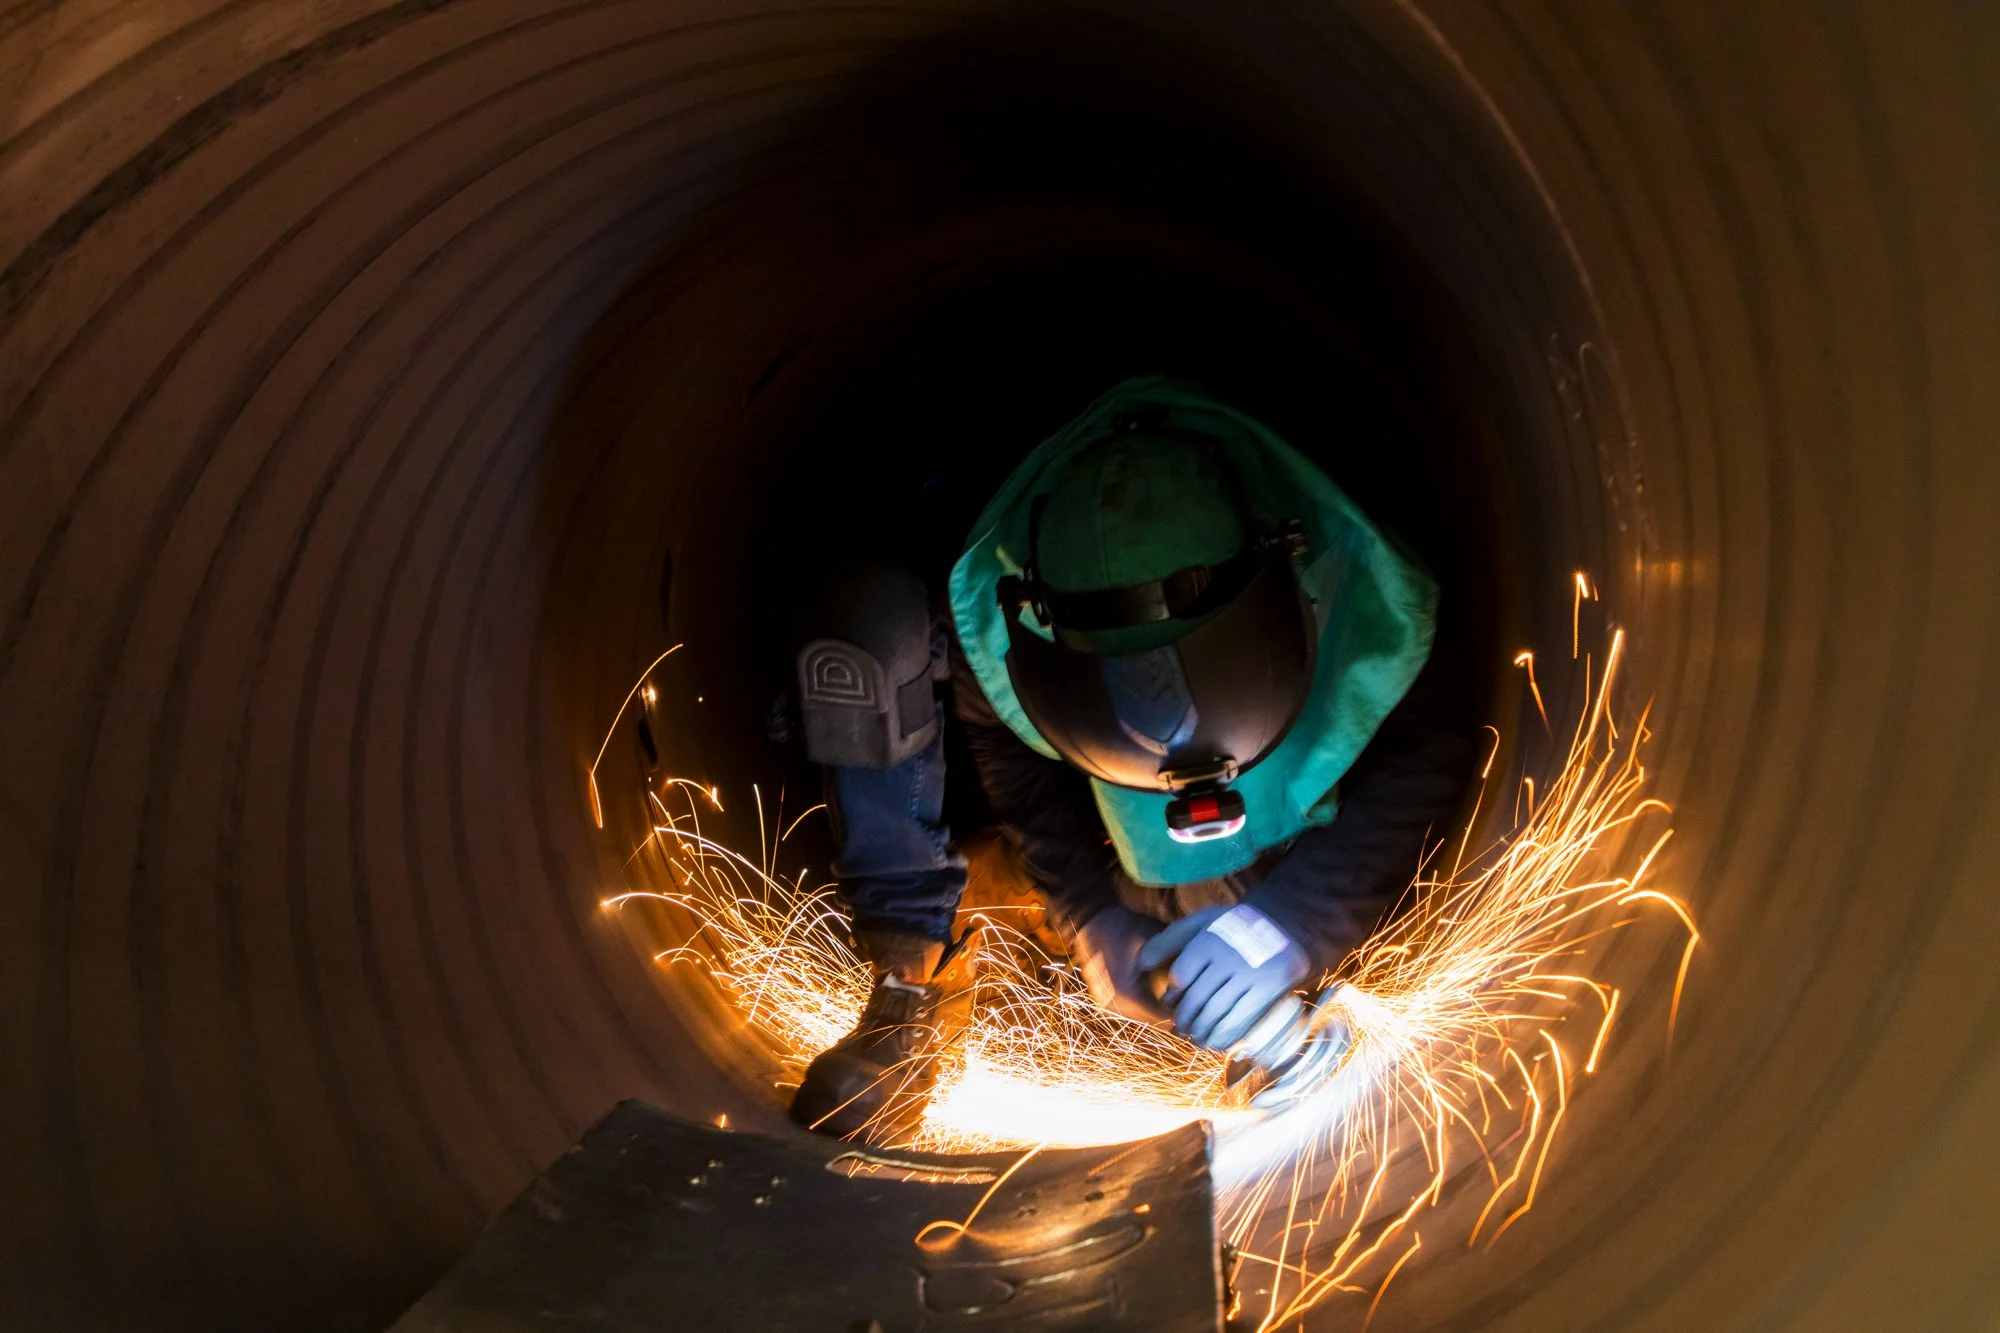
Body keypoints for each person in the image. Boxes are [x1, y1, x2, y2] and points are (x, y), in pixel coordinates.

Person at [786, 377, 1475, 1142]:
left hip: (1274, 824)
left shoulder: (1367, 580)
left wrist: (1290, 922)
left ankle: (1233, 947)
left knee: (1217, 922)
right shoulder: (998, 606)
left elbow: (1432, 751)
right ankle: (910, 980)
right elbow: (1010, 759)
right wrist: (1084, 907)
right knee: (865, 616)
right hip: (1089, 810)